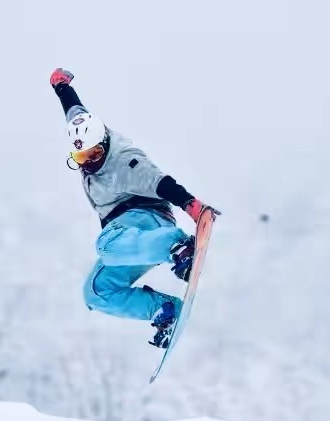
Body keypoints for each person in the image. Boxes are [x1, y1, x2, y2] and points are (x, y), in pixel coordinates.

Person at [50, 68, 217, 349]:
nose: (89, 162)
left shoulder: (125, 161)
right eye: (81, 157)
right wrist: (61, 86)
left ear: (104, 142)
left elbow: (161, 183)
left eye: (95, 154)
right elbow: (74, 110)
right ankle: (165, 310)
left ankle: (177, 248)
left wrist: (193, 207)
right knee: (96, 292)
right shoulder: (85, 132)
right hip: (130, 241)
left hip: (147, 221)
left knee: (106, 244)